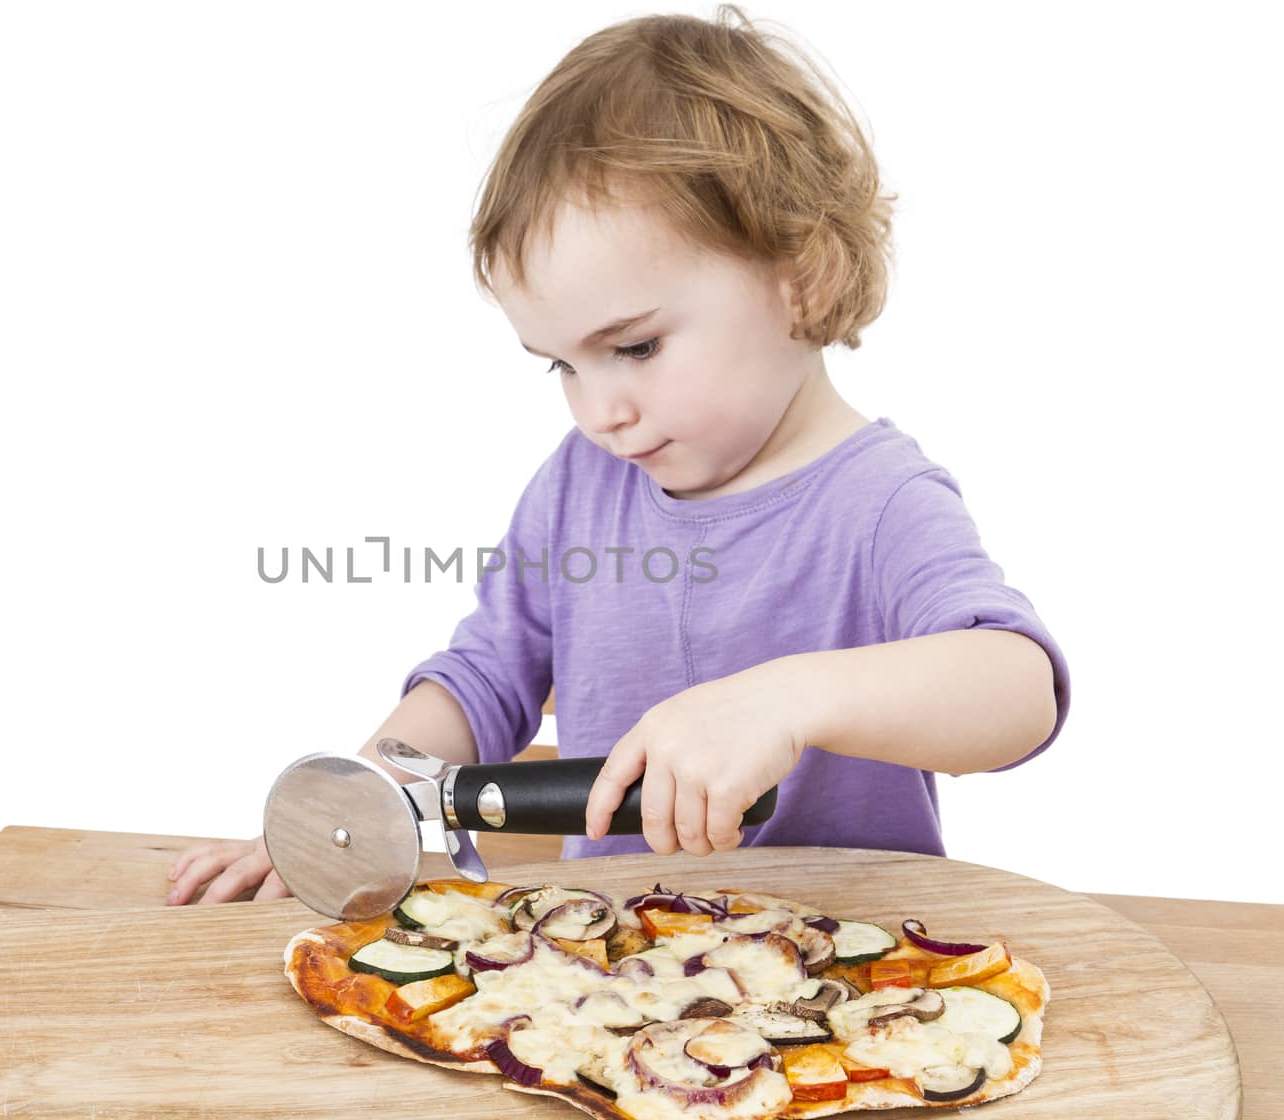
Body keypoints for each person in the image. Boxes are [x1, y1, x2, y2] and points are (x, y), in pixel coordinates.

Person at [166, 5, 1070, 906]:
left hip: (864, 990)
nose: (603, 412)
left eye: (635, 348)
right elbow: (484, 680)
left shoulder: (878, 501)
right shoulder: (580, 483)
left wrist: (787, 702)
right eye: (564, 364)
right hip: (600, 974)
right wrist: (349, 810)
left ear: (806, 277)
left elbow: (1017, 690)